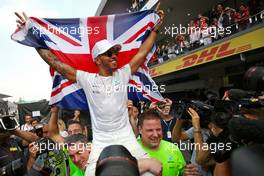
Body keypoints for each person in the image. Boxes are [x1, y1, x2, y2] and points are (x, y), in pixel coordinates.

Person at [15, 5, 164, 175]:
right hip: (101, 143)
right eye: (108, 53)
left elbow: (143, 52)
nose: (114, 55)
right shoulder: (87, 79)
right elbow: (56, 63)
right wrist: (33, 37)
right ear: (98, 60)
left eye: (115, 52)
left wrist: (154, 29)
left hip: (128, 139)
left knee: (157, 170)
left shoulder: (123, 74)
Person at [137, 109, 200, 176]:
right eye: (150, 130)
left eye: (158, 129)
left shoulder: (173, 148)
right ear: (140, 130)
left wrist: (187, 173)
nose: (155, 134)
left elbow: (181, 172)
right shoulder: (131, 150)